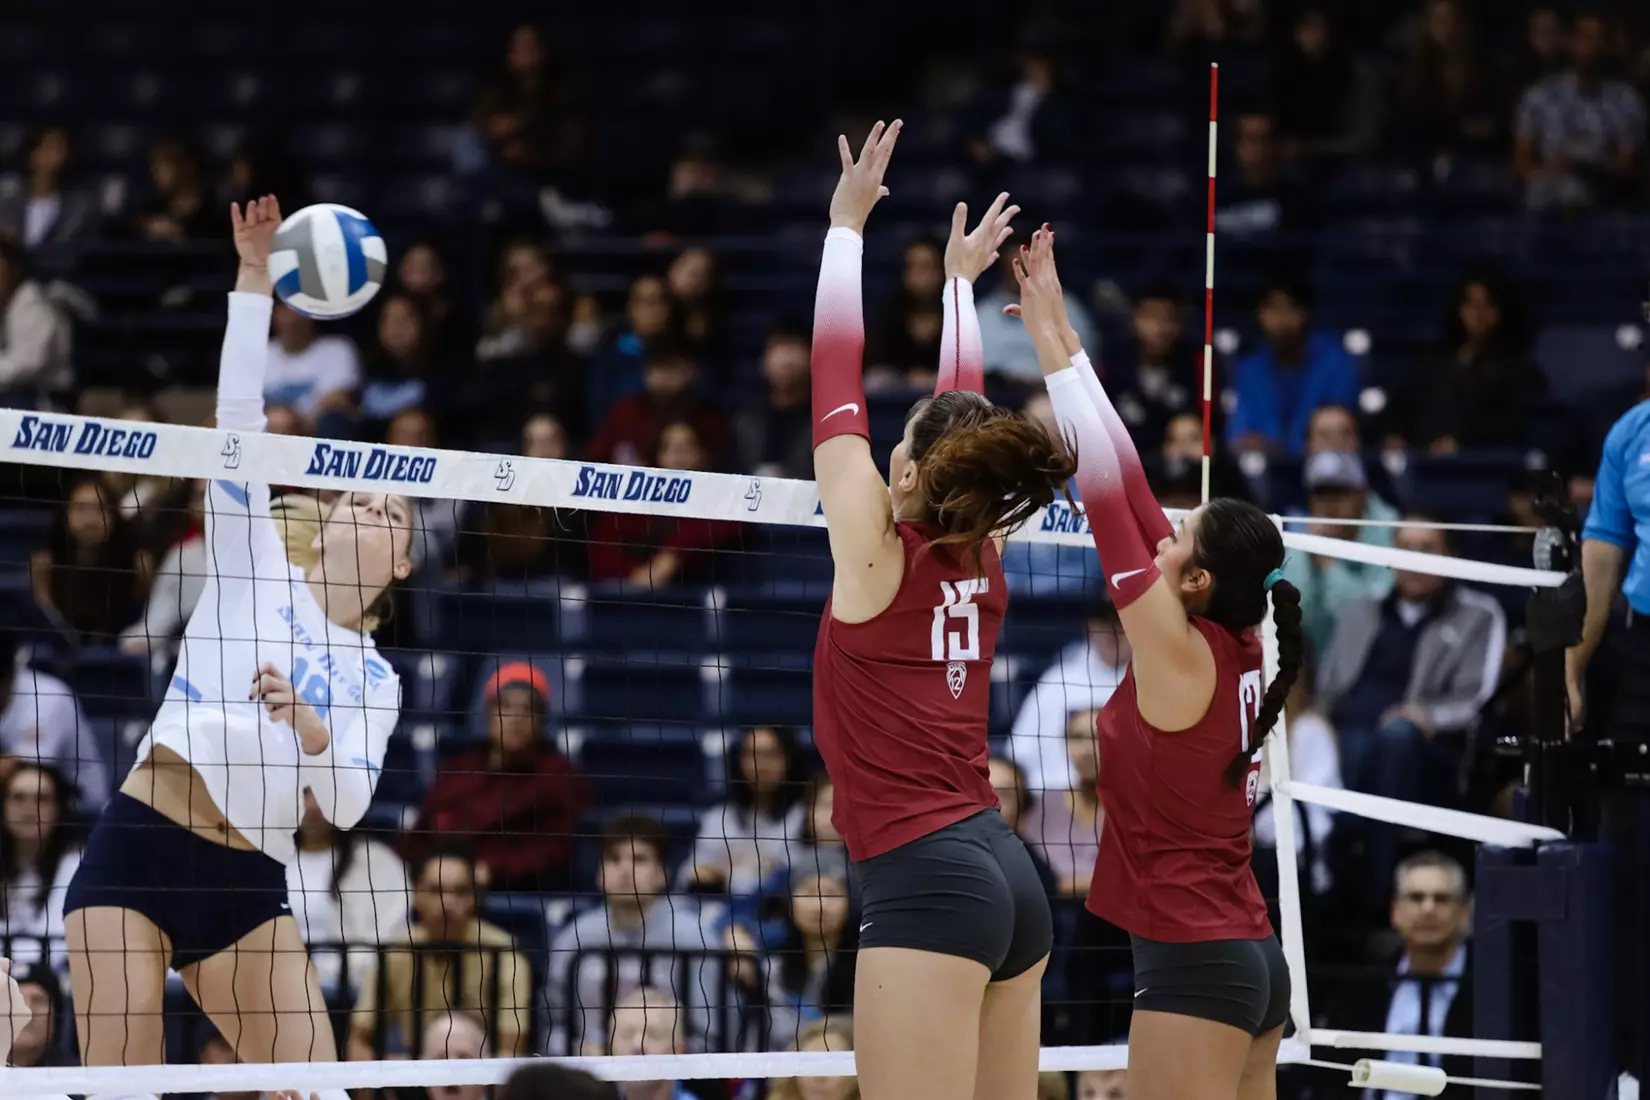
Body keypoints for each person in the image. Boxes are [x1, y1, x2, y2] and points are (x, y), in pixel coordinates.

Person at [63, 197, 407, 1070]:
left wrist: (308, 723)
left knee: (316, 1089)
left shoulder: (376, 677)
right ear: (324, 524)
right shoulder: (253, 561)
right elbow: (237, 425)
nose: (371, 506)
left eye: (394, 509)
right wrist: (253, 281)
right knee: (121, 1086)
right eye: (359, 497)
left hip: (248, 879)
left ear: (405, 562)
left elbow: (353, 803)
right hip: (142, 839)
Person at [809, 122, 1068, 1100]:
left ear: (905, 471)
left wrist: (845, 229)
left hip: (928, 881)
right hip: (1004, 870)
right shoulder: (983, 543)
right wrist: (956, 288)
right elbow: (961, 426)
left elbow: (835, 378)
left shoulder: (874, 552)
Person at [1012, 226, 1295, 1100]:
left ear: (1199, 577)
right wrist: (1061, 340)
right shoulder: (1237, 637)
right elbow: (1131, 484)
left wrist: (1056, 365)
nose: (1163, 529)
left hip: (1196, 962)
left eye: (1180, 536)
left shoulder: (1175, 650)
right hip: (1246, 956)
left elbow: (1106, 501)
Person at [408, 662, 590, 892]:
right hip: (441, 885)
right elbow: (420, 834)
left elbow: (556, 848)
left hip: (514, 891)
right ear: (489, 714)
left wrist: (491, 869)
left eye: (527, 710)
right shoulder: (457, 769)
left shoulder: (560, 776)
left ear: (541, 719)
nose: (515, 718)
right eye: (505, 706)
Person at [347, 839, 530, 1059]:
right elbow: (359, 1038)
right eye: (435, 891)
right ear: (415, 894)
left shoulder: (503, 954)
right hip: (413, 1076)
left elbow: (510, 1049)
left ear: (475, 898)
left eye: (460, 892)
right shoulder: (397, 951)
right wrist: (383, 1084)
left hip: (481, 1078)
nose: (447, 903)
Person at [287, 790, 410, 993]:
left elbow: (387, 939)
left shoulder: (377, 862)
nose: (312, 806)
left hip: (345, 992)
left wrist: (322, 973)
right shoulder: (266, 859)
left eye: (321, 792)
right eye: (305, 793)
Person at [685, 725, 805, 896]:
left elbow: (797, 880)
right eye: (751, 754)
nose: (760, 764)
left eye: (770, 754)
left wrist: (725, 878)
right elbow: (691, 875)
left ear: (790, 759)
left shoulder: (805, 817)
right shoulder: (719, 818)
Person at [0, 764, 81, 971]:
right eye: (18, 797)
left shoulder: (78, 868)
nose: (30, 809)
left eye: (42, 799)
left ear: (58, 808)